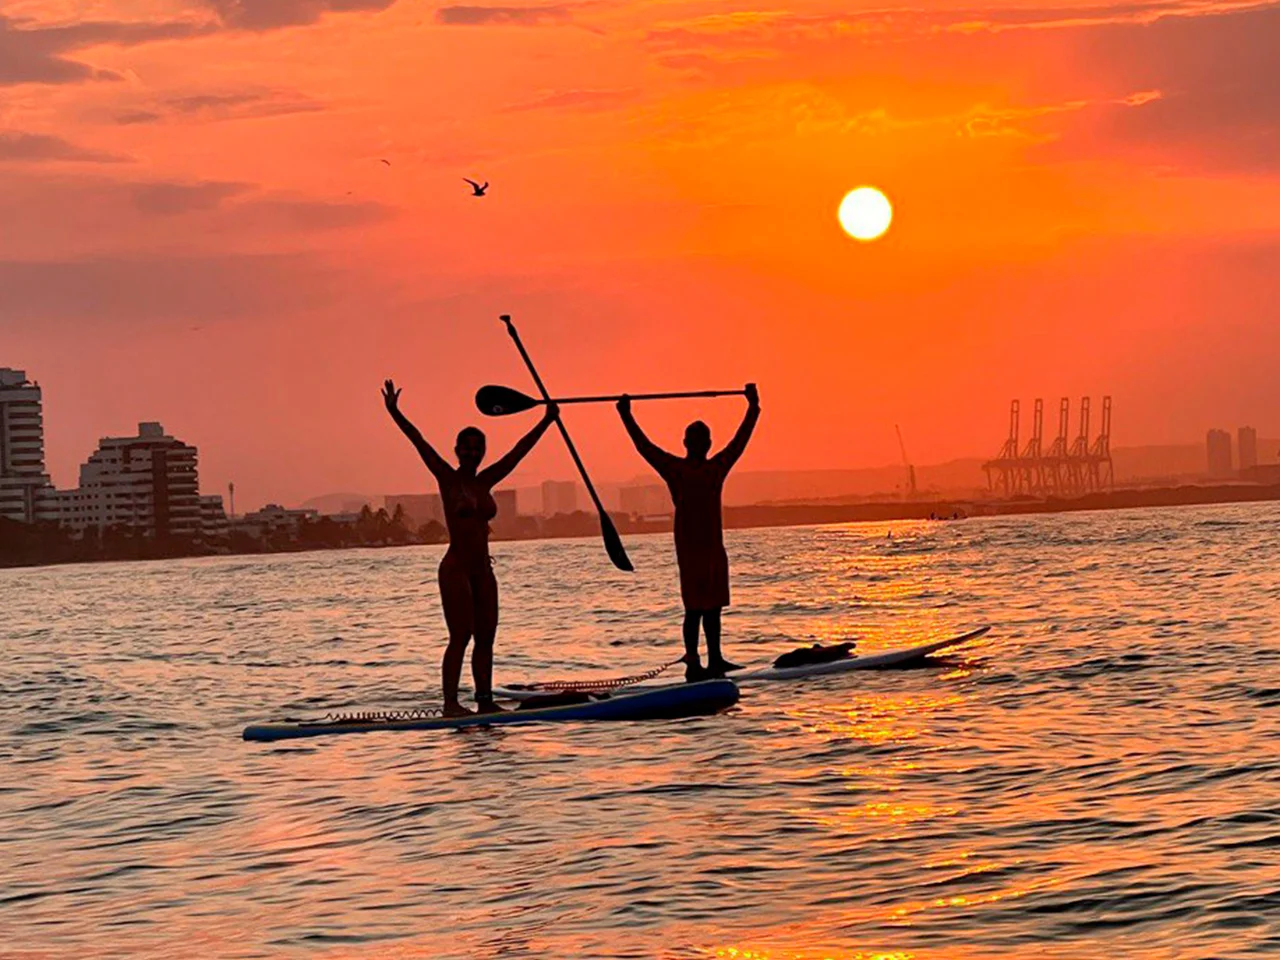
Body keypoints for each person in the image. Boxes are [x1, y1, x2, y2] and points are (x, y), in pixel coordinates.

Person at [383, 379, 558, 715]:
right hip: (456, 568)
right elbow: (419, 442)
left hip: (483, 570)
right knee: (460, 636)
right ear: (457, 450)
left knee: (487, 639)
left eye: (478, 448)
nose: (472, 453)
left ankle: (484, 703)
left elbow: (518, 452)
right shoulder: (448, 478)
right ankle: (450, 704)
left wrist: (547, 420)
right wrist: (395, 412)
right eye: (467, 447)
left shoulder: (485, 481)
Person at [618, 383, 761, 680]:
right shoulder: (677, 469)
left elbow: (740, 441)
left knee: (714, 607)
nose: (701, 444)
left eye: (703, 439)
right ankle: (694, 662)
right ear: (687, 443)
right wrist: (626, 416)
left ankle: (716, 659)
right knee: (695, 609)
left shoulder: (715, 467)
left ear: (707, 443)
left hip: (712, 547)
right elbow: (644, 448)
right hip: (692, 549)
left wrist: (753, 408)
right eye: (697, 439)